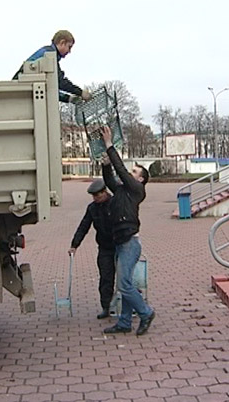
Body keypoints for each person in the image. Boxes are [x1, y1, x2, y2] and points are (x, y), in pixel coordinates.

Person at [99, 126, 155, 336]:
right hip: (121, 242)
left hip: (130, 243)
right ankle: (124, 322)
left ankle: (146, 312)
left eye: (135, 172)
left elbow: (121, 171)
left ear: (140, 179)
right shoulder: (122, 191)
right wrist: (106, 164)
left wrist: (109, 145)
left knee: (123, 284)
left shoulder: (137, 190)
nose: (130, 174)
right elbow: (110, 180)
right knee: (127, 283)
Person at [68, 179, 115, 319]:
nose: (95, 198)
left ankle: (132, 305)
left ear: (104, 192)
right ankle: (106, 307)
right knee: (106, 278)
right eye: (93, 196)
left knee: (126, 278)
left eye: (98, 195)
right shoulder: (92, 208)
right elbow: (84, 226)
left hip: (120, 245)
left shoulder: (115, 203)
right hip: (105, 247)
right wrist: (74, 245)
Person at [13, 30, 92, 103]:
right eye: (69, 47)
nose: (69, 51)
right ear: (62, 43)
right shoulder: (49, 56)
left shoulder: (48, 53)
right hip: (21, 92)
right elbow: (60, 82)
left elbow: (50, 88)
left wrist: (68, 98)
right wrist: (80, 92)